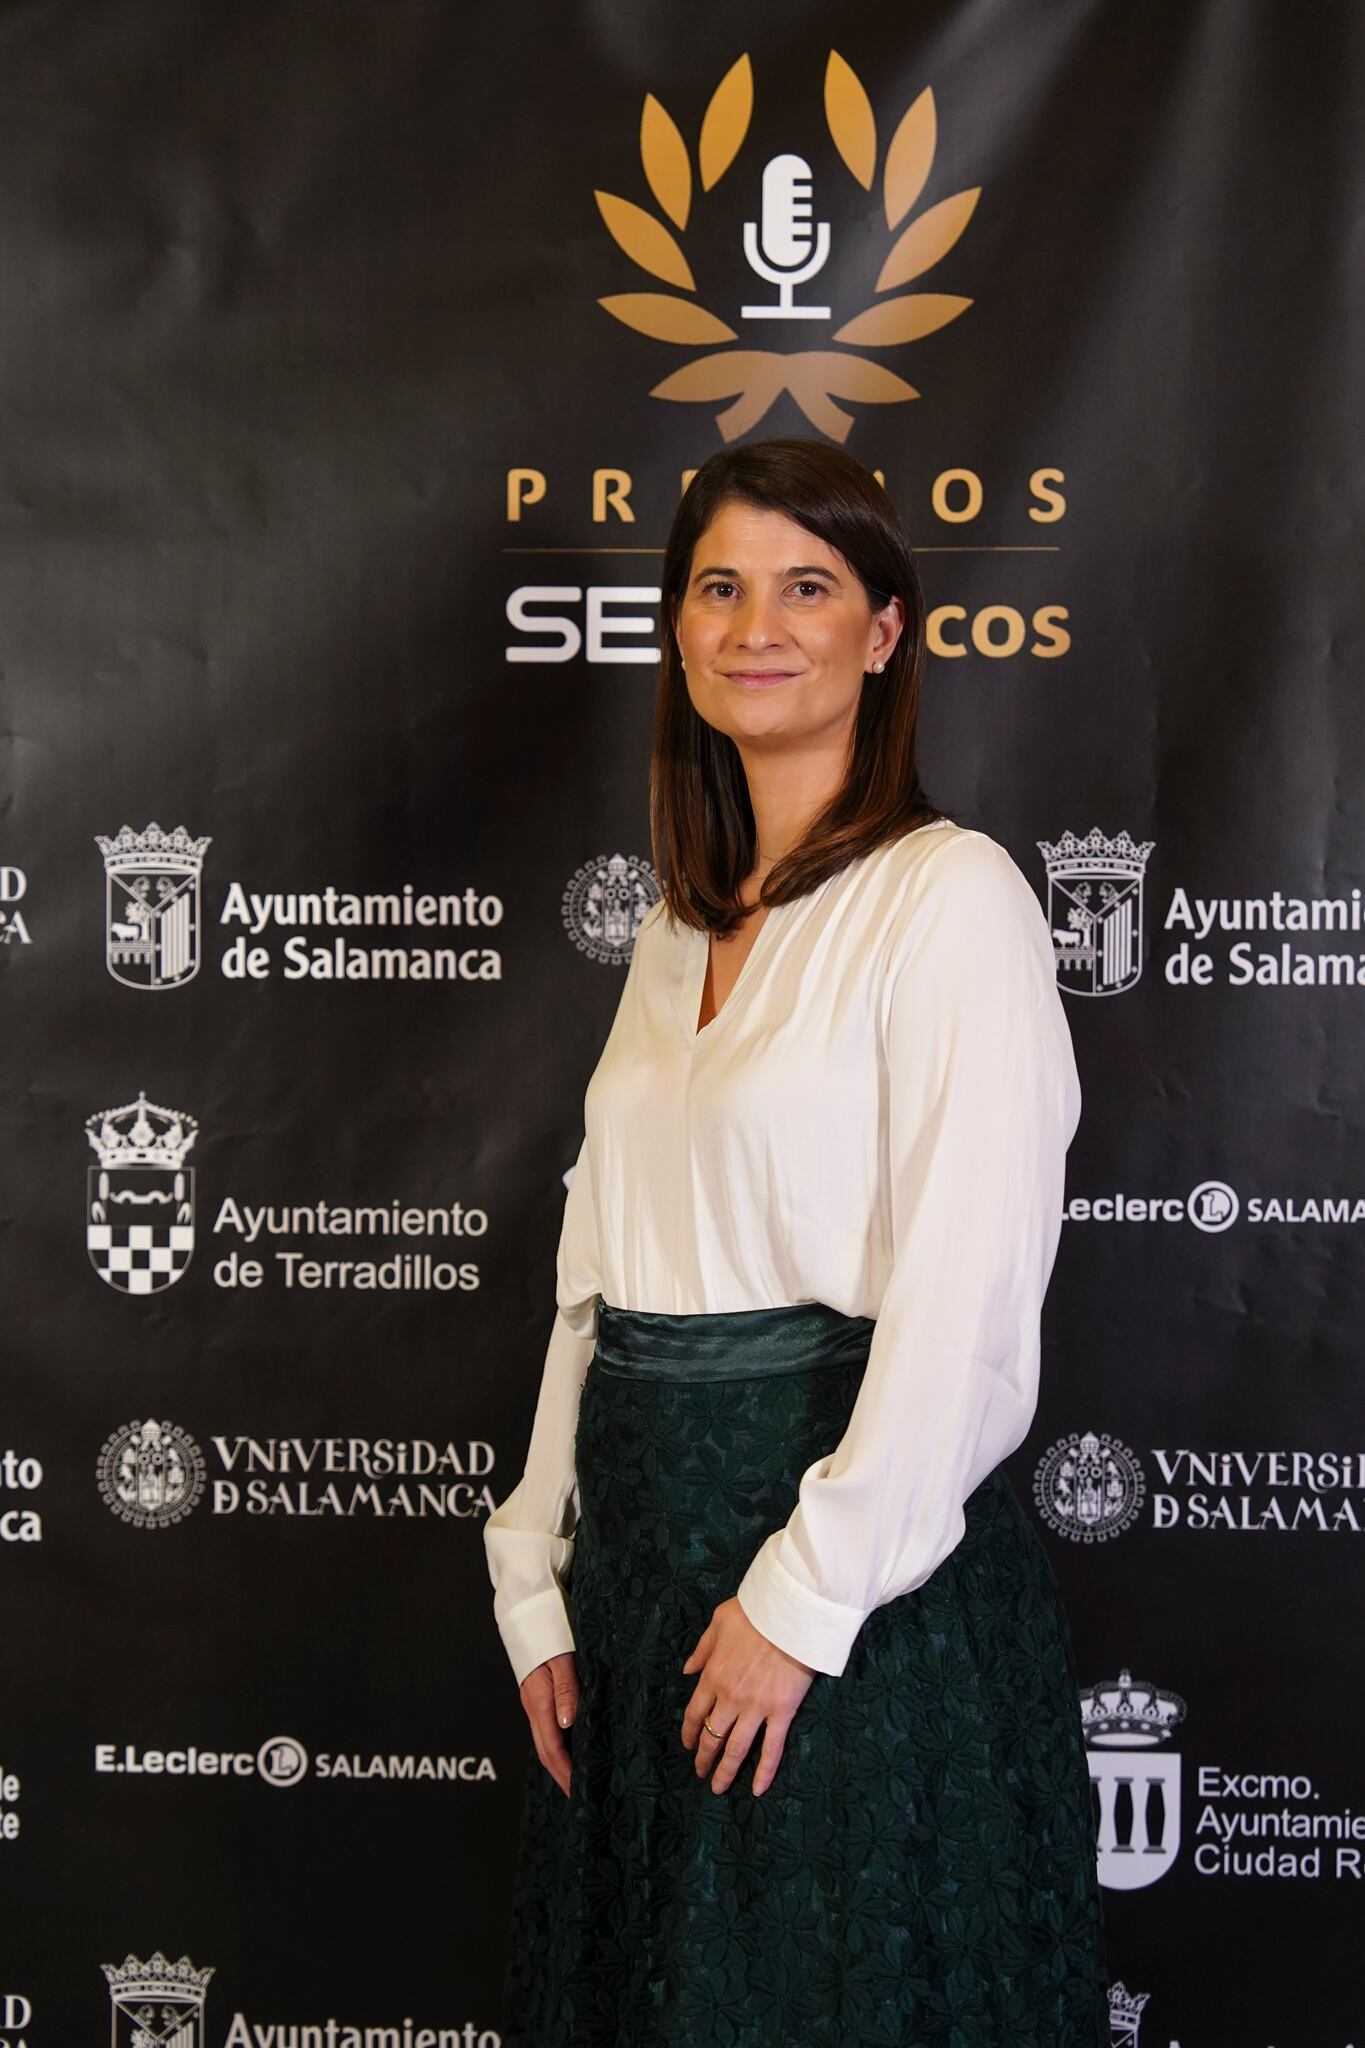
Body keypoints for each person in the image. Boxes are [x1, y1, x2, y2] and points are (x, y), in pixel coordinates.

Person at [483, 435, 1109, 2045]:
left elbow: (967, 1295)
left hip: (836, 1610)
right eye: (717, 587)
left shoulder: (948, 898)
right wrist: (533, 1567)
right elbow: (593, 1272)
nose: (754, 624)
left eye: (805, 585)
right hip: (633, 1591)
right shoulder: (674, 924)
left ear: (884, 632)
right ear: (678, 634)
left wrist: (803, 1601)